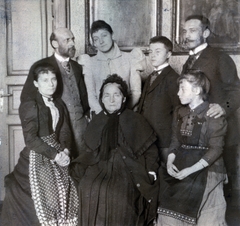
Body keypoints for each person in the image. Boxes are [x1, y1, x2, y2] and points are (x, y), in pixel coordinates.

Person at [70, 74, 159, 226]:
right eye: (107, 95)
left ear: (124, 98)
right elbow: (89, 150)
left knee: (120, 194)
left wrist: (150, 171)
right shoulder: (97, 120)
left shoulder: (136, 120)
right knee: (88, 187)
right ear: (101, 99)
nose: (111, 100)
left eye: (116, 95)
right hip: (100, 165)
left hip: (128, 168)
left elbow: (151, 152)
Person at [1, 63, 79, 226]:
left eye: (53, 79)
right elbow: (31, 139)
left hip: (58, 150)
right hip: (38, 153)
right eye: (45, 80)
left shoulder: (59, 103)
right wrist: (56, 155)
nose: (51, 84)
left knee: (70, 190)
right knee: (48, 197)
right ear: (36, 83)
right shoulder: (30, 105)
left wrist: (65, 150)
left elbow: (65, 131)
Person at [181, 15, 240, 213]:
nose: (186, 35)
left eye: (192, 30)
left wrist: (224, 107)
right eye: (185, 31)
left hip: (223, 132)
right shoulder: (188, 61)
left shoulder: (220, 57)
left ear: (205, 33)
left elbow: (236, 89)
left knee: (225, 184)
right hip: (199, 134)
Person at [157, 70, 228, 225]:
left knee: (207, 214)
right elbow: (175, 141)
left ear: (196, 91)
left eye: (182, 89)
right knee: (167, 214)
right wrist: (170, 162)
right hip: (182, 162)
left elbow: (216, 149)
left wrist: (190, 170)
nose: (178, 93)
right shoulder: (180, 111)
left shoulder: (213, 113)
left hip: (208, 168)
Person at [21, 27, 89, 157]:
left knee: (82, 166)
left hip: (81, 128)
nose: (73, 43)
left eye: (73, 39)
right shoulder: (41, 66)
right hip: (57, 130)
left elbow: (83, 97)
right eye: (67, 40)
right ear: (55, 44)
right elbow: (27, 98)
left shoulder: (77, 67)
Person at [78, 20, 142, 115]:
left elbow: (136, 92)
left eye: (104, 35)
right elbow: (91, 96)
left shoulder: (130, 58)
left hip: (127, 113)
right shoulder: (90, 63)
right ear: (94, 43)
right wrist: (104, 115)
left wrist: (122, 111)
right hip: (101, 116)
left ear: (112, 35)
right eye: (96, 39)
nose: (101, 41)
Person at [138, 36, 180, 163]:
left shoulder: (174, 78)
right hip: (148, 138)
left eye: (157, 52)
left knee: (165, 176)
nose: (152, 56)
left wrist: (173, 143)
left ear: (168, 54)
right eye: (150, 52)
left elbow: (178, 113)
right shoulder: (151, 76)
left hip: (164, 141)